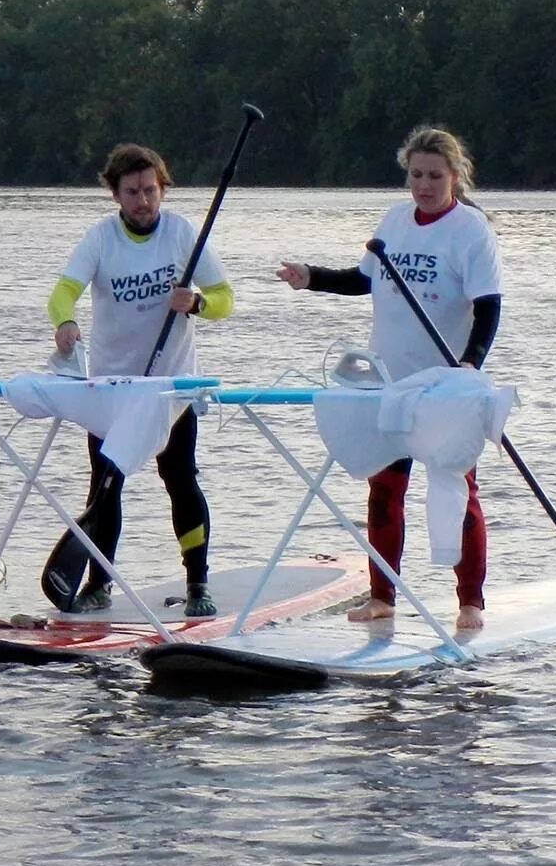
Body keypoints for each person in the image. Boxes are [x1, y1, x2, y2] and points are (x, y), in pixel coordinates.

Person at [277, 125, 502, 633]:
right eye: (416, 175)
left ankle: (470, 603)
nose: (424, 185)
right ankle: (383, 598)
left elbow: (489, 306)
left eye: (435, 176)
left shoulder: (470, 230)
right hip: (387, 381)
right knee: (384, 489)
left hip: (443, 385)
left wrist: (471, 364)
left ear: (454, 176)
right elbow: (365, 281)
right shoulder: (395, 221)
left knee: (457, 489)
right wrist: (311, 277)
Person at [49, 142, 233, 616]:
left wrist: (196, 304)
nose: (143, 201)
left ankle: (198, 585)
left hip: (172, 391)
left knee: (180, 480)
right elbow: (63, 292)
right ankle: (98, 585)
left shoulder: (181, 233)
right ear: (116, 195)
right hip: (112, 390)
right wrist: (65, 322)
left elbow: (225, 299)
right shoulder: (101, 239)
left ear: (162, 189)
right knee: (105, 485)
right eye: (132, 192)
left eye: (151, 190)